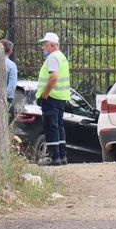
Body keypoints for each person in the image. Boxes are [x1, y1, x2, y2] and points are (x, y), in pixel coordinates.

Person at [37, 32, 71, 166]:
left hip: (51, 97)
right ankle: (62, 156)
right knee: (59, 126)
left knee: (51, 126)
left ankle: (53, 156)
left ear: (51, 45)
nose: (43, 47)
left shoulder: (52, 58)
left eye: (44, 44)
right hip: (61, 97)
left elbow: (53, 77)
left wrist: (45, 94)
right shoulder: (62, 57)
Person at [0, 39, 18, 122]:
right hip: (5, 99)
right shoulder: (11, 65)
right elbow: (12, 85)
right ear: (10, 51)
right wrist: (4, 98)